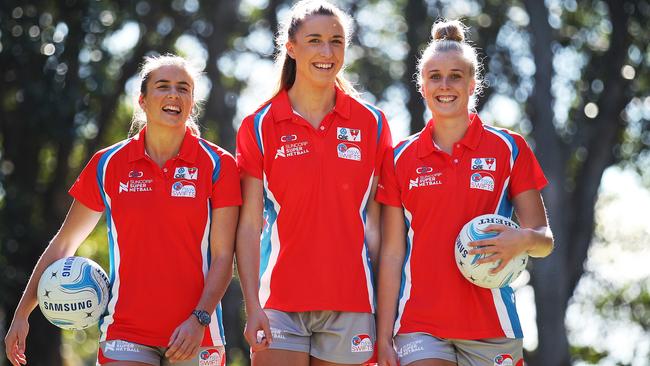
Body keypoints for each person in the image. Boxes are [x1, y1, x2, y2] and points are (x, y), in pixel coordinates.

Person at [4, 54, 241, 366]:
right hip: (125, 335)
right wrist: (22, 313)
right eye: (163, 86)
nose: (173, 94)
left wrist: (198, 319)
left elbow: (224, 257)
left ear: (192, 102)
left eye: (183, 88)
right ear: (142, 100)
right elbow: (64, 244)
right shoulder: (108, 164)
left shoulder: (218, 165)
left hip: (196, 335)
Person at [375, 20, 554, 366]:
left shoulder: (509, 148)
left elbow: (545, 239)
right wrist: (383, 336)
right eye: (435, 76)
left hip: (493, 325)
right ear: (422, 85)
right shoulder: (399, 159)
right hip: (419, 326)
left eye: (456, 76)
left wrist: (522, 239)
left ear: (473, 84)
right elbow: (393, 255)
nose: (445, 85)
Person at [235, 1, 392, 365]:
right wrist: (253, 304)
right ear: (291, 47)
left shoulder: (374, 124)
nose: (326, 52)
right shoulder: (258, 126)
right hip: (279, 305)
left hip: (352, 303)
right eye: (315, 40)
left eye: (336, 41)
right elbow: (248, 226)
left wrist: (387, 315)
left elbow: (383, 229)